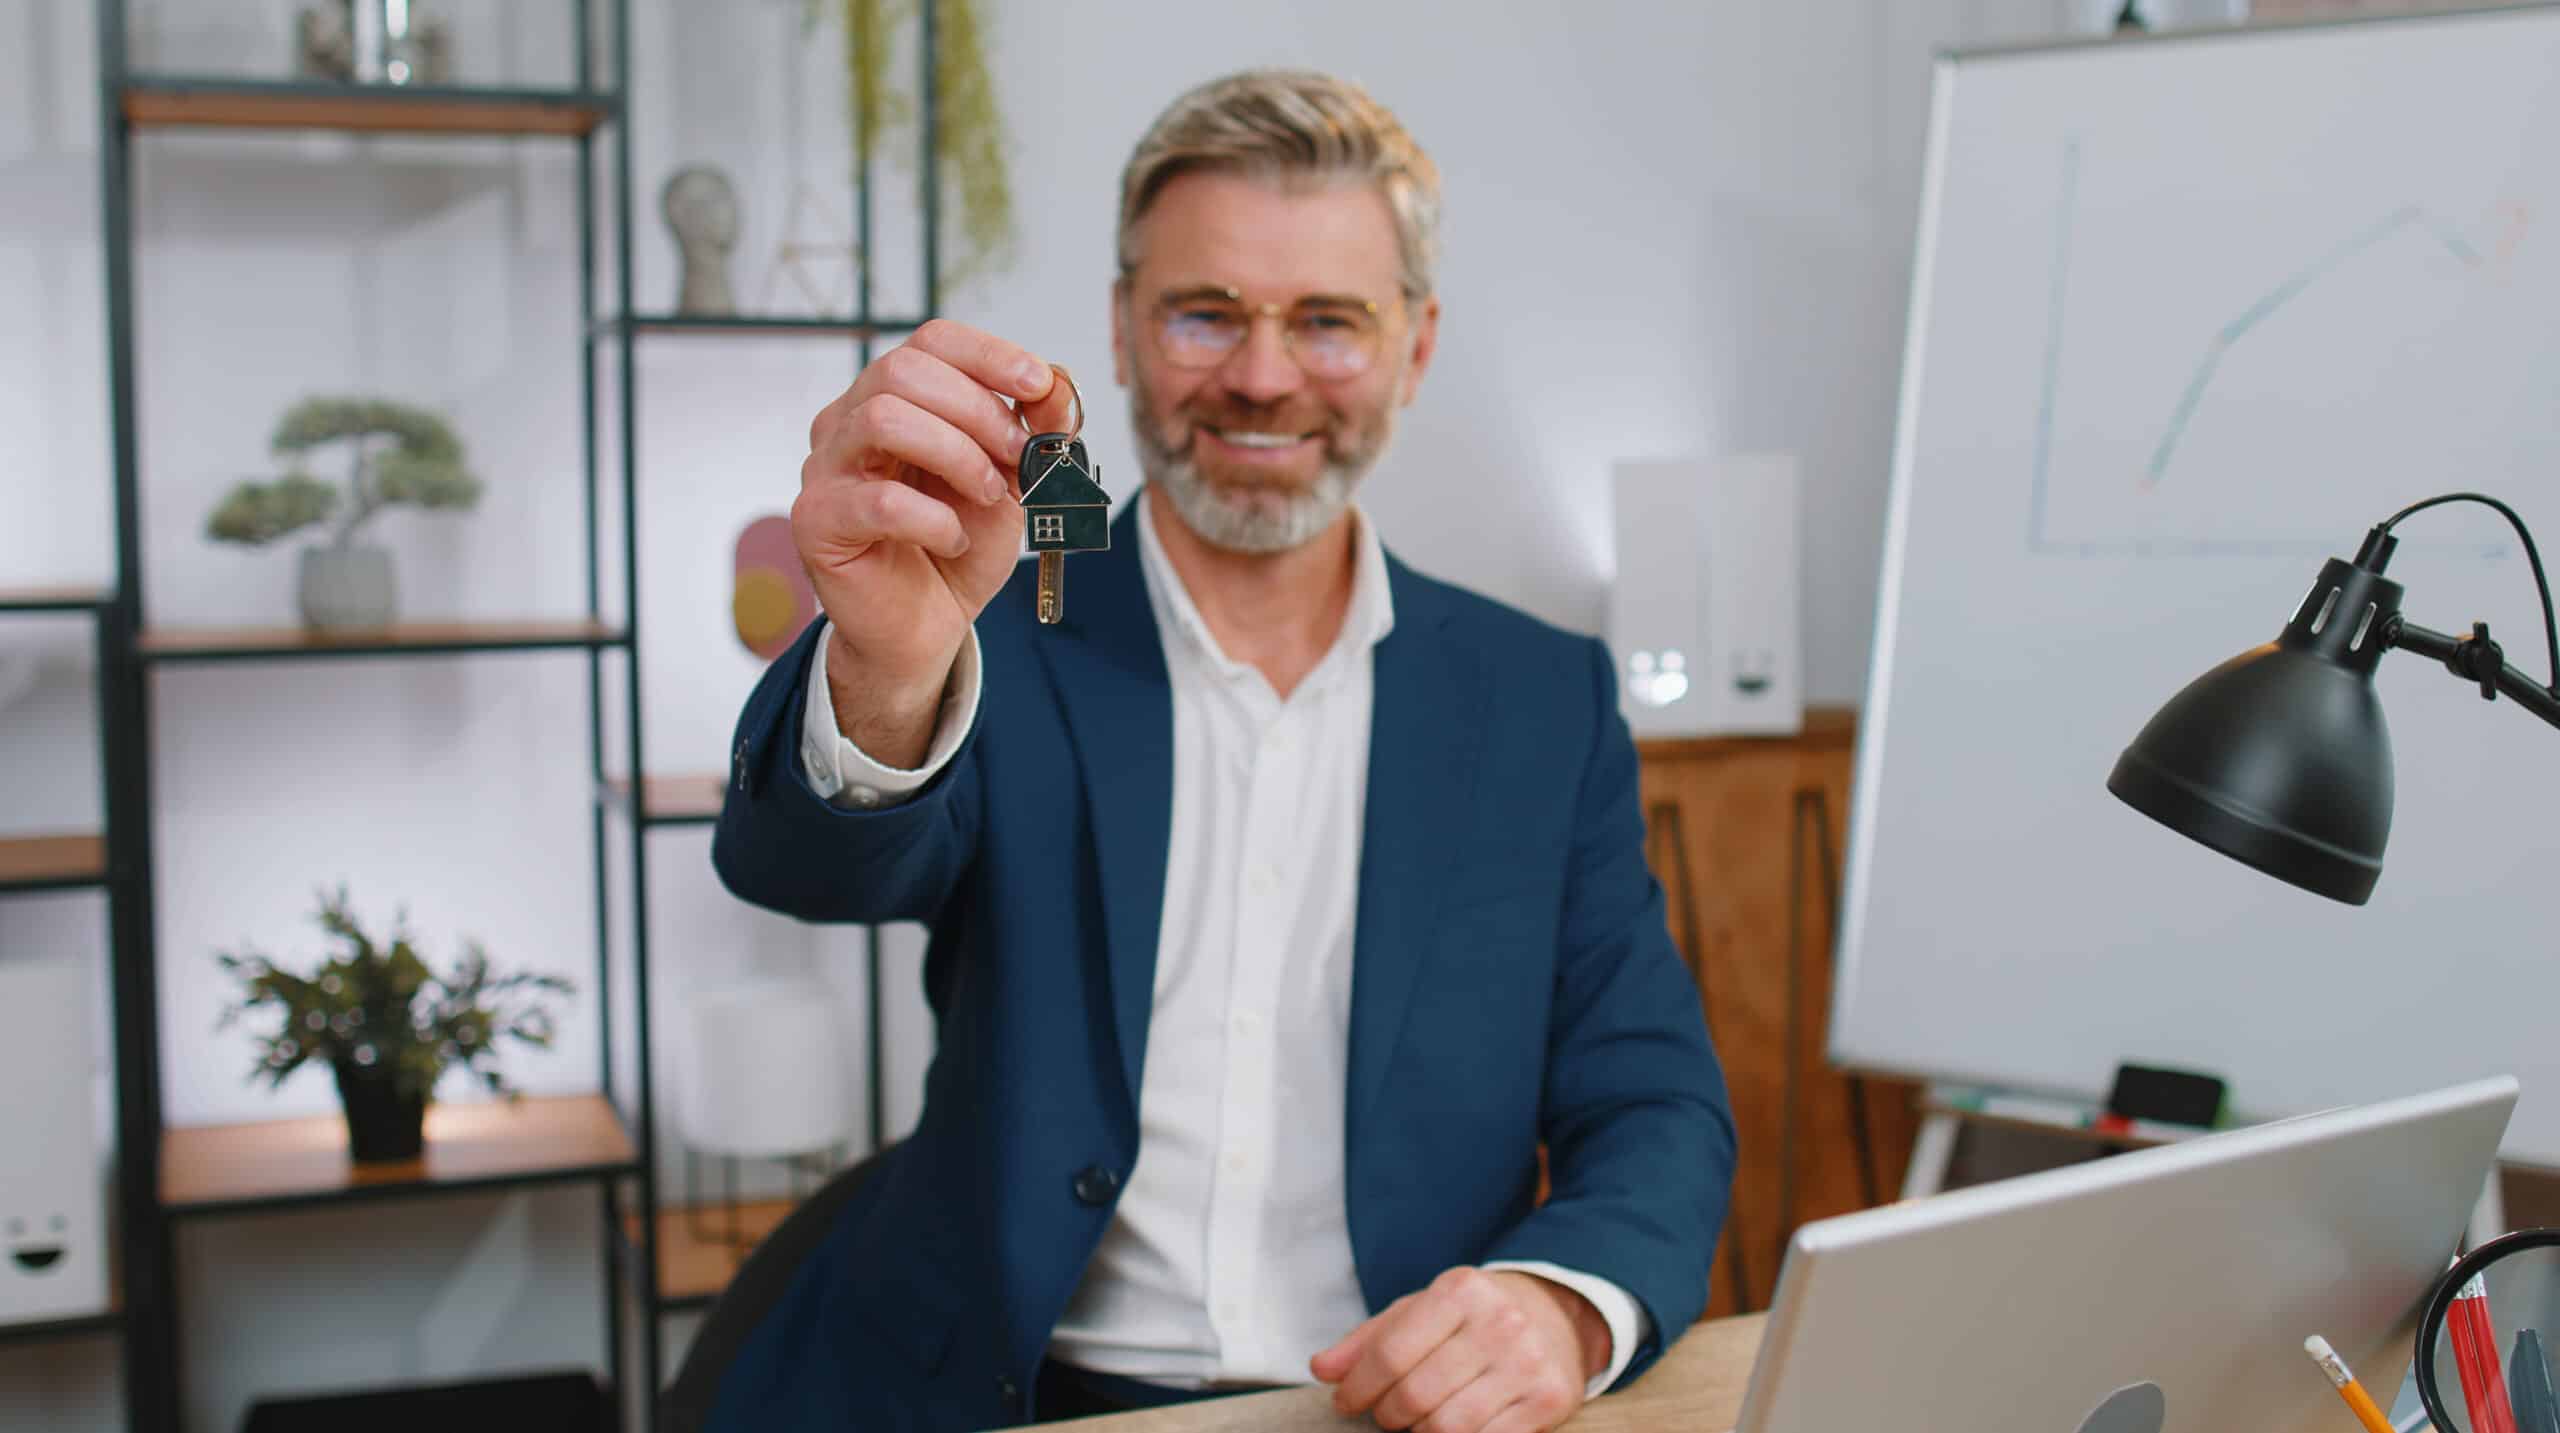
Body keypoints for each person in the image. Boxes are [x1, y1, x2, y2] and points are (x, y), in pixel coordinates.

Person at [706, 68, 1735, 1433]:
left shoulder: (1541, 700)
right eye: (1207, 313)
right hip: (1006, 1393)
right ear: (1126, 333)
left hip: (1390, 1403)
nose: (1261, 377)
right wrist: (891, 664)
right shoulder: (985, 627)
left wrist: (1559, 1303)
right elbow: (799, 864)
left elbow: (1656, 1097)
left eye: (1329, 322)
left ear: (1415, 348)